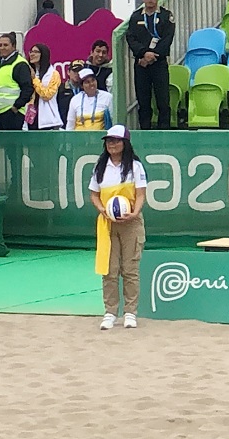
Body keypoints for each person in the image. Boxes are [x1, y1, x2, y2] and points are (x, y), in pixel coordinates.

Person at [89, 125, 147, 331]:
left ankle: (130, 312)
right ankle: (110, 312)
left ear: (125, 143)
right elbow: (94, 194)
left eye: (116, 140)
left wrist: (134, 213)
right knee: (109, 269)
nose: (112, 144)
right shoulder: (101, 166)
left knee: (130, 269)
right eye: (109, 140)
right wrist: (102, 210)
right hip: (107, 224)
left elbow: (141, 194)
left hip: (131, 222)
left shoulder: (135, 167)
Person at [126, 0, 175, 129]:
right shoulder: (135, 16)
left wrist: (152, 56)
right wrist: (143, 53)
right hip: (141, 64)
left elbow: (167, 38)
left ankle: (164, 132)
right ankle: (144, 131)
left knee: (163, 101)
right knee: (143, 102)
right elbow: (131, 38)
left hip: (159, 64)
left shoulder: (166, 15)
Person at [0, 32, 33, 131]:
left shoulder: (20, 64)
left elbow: (28, 89)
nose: (2, 48)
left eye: (6, 45)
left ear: (13, 46)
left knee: (13, 146)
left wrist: (16, 107)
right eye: (0, 45)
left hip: (12, 114)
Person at [26, 43, 63, 130]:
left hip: (47, 119)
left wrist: (34, 79)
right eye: (31, 51)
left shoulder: (54, 74)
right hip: (30, 116)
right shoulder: (28, 72)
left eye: (36, 52)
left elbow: (47, 95)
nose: (32, 54)